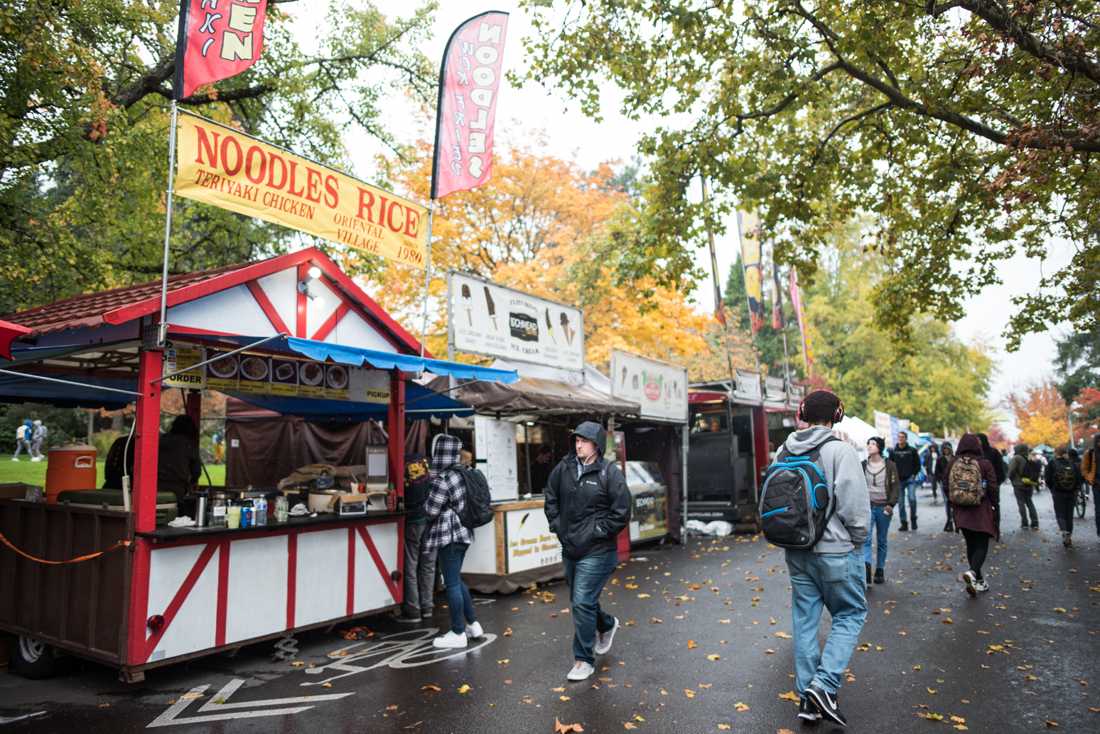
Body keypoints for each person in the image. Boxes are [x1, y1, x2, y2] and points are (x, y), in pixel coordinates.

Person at [780, 390, 868, 729]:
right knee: (850, 613)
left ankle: (807, 699)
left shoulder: (783, 450)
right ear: (838, 415)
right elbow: (854, 508)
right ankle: (824, 685)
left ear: (802, 412)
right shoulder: (840, 451)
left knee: (804, 621)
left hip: (796, 550)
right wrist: (856, 542)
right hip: (835, 551)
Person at [544, 421, 631, 683]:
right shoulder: (564, 468)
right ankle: (606, 624)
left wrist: (598, 531)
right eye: (576, 440)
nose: (578, 444)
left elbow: (622, 511)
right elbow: (550, 497)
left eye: (584, 440)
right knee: (583, 603)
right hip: (570, 547)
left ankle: (583, 660)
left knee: (582, 601)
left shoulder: (609, 473)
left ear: (597, 444)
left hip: (597, 550)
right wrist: (558, 526)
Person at [422, 434, 482, 649]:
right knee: (456, 578)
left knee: (451, 582)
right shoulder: (462, 474)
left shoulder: (443, 478)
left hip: (449, 534)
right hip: (465, 532)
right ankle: (473, 624)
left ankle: (458, 631)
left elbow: (431, 510)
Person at [948, 434, 999, 595]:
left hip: (961, 511)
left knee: (971, 544)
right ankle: (973, 572)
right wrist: (995, 504)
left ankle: (978, 580)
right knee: (982, 543)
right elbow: (992, 486)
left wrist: (954, 502)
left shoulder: (953, 463)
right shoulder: (984, 464)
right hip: (981, 509)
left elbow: (945, 483)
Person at [394, 453, 437, 623]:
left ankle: (413, 609)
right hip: (431, 518)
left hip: (414, 519)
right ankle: (427, 606)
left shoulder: (400, 463)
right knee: (428, 564)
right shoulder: (427, 461)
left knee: (411, 564)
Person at [862, 437, 899, 585]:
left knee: (882, 540)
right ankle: (866, 568)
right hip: (868, 507)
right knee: (866, 538)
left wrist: (891, 504)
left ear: (880, 447)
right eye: (868, 443)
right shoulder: (863, 465)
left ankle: (880, 569)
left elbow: (896, 486)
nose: (869, 446)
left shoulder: (890, 465)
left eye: (873, 444)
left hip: (884, 507)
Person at [158, 415, 202, 505]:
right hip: (177, 490)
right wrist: (192, 482)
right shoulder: (188, 444)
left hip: (155, 487)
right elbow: (196, 471)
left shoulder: (160, 440)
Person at [1046, 445, 1083, 548]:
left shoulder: (1052, 463)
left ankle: (1064, 531)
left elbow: (1047, 479)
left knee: (1060, 513)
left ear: (1056, 453)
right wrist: (1075, 489)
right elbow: (1079, 478)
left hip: (1058, 493)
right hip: (1071, 493)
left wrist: (1053, 489)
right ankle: (1069, 536)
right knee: (1069, 514)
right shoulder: (1073, 463)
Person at [890, 431, 921, 531]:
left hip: (910, 479)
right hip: (899, 481)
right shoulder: (893, 451)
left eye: (902, 437)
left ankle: (913, 519)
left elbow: (918, 464)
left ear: (906, 438)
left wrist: (914, 474)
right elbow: (890, 465)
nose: (900, 438)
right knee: (901, 503)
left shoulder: (912, 450)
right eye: (899, 437)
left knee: (912, 499)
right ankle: (904, 523)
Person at [1007, 443, 1040, 529]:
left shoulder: (1016, 458)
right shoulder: (1029, 457)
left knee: (1021, 503)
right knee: (1030, 502)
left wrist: (1011, 479)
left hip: (1018, 484)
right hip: (1029, 483)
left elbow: (1011, 471)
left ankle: (1024, 523)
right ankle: (1035, 523)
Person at [1083, 434, 1100, 538]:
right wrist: (1090, 479)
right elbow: (1084, 469)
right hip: (1097, 485)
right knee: (1099, 510)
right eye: (1098, 441)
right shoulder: (1090, 453)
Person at [936, 442, 956, 532]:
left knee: (955, 501)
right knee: (947, 502)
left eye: (947, 448)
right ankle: (949, 521)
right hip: (944, 483)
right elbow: (937, 472)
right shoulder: (940, 459)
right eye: (944, 449)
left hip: (954, 483)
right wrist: (941, 479)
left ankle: (955, 520)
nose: (946, 450)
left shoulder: (955, 458)